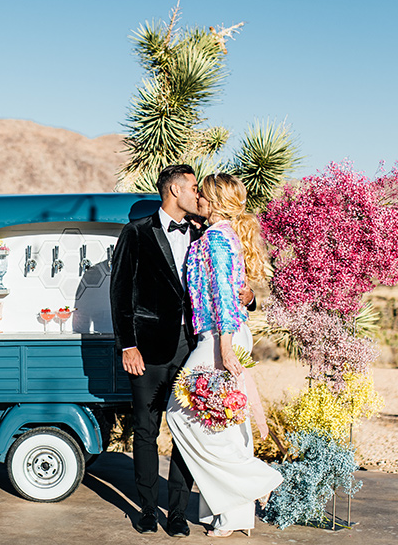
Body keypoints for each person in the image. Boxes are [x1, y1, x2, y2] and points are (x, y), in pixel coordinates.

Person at [111, 165, 254, 537]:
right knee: (145, 429)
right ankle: (145, 509)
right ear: (174, 189)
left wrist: (249, 298)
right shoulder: (136, 232)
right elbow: (120, 293)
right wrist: (128, 344)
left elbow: (226, 286)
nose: (198, 194)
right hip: (147, 348)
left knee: (187, 428)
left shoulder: (204, 234)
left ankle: (176, 511)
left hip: (193, 348)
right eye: (193, 187)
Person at [165, 172, 283, 538]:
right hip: (221, 334)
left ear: (213, 201)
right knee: (226, 424)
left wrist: (225, 347)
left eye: (202, 192)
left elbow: (223, 297)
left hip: (219, 337)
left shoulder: (216, 239)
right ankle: (231, 515)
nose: (197, 196)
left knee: (180, 413)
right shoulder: (223, 234)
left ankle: (257, 480)